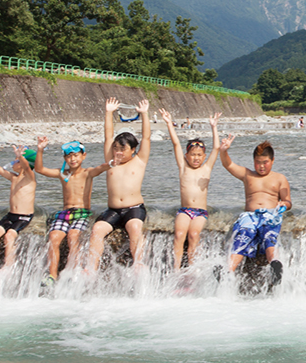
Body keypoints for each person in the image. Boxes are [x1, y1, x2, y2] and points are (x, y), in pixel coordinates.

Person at [86, 97, 152, 271]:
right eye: (116, 148)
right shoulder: (111, 160)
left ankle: (138, 263)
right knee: (97, 229)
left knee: (135, 227)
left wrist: (144, 114)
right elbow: (108, 135)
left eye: (123, 149)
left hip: (134, 208)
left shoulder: (139, 161)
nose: (118, 152)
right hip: (113, 210)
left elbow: (146, 137)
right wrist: (109, 112)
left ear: (132, 150)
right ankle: (91, 268)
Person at [34, 138, 109, 286]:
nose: (72, 159)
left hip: (82, 212)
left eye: (75, 155)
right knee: (53, 237)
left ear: (83, 156)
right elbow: (39, 169)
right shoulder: (63, 174)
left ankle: (73, 271)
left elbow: (100, 168)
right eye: (69, 156)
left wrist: (112, 163)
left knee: (73, 235)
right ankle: (52, 275)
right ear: (64, 158)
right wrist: (40, 149)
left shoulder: (87, 173)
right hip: (65, 213)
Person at [219, 138, 292, 286]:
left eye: (265, 162)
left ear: (272, 160)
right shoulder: (247, 175)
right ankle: (228, 271)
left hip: (270, 216)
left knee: (269, 237)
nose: (261, 166)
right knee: (243, 238)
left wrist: (284, 204)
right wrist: (223, 150)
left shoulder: (279, 178)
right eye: (258, 162)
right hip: (250, 217)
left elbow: (288, 201)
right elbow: (228, 164)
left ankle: (275, 265)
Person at [159, 109, 222, 269]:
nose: (196, 158)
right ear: (186, 155)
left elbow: (216, 148)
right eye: (193, 154)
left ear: (204, 156)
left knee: (194, 235)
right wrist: (168, 123)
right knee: (179, 235)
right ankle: (176, 269)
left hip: (200, 212)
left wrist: (214, 127)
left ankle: (192, 269)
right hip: (185, 211)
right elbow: (175, 144)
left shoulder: (207, 168)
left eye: (199, 155)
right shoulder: (183, 167)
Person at [0, 145, 37, 269]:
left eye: (15, 160)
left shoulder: (30, 178)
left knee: (9, 235)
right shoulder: (14, 177)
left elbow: (27, 167)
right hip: (11, 215)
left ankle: (8, 266)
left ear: (21, 163)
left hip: (24, 216)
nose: (13, 162)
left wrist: (20, 156)